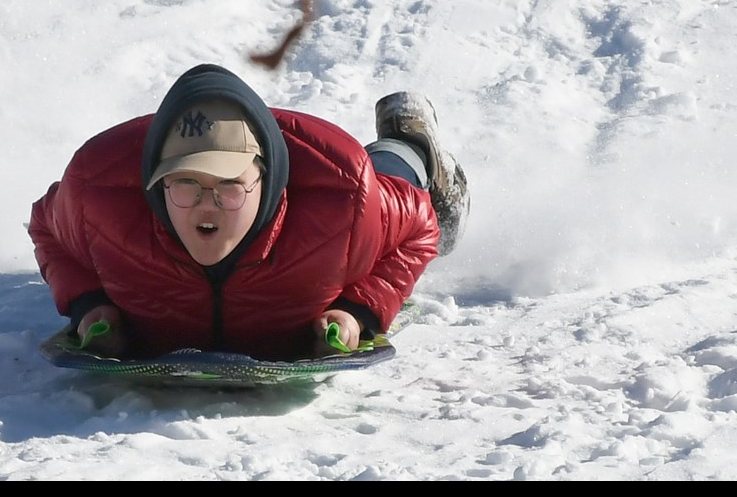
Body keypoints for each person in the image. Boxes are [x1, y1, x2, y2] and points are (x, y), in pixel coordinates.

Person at [28, 63, 469, 361]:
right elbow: (45, 228)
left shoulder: (341, 199)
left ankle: (408, 139)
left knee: (404, 186)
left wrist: (360, 310)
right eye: (186, 184)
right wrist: (90, 303)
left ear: (266, 180)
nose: (207, 204)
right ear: (157, 182)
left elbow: (419, 226)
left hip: (342, 174)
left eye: (228, 186)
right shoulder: (96, 196)